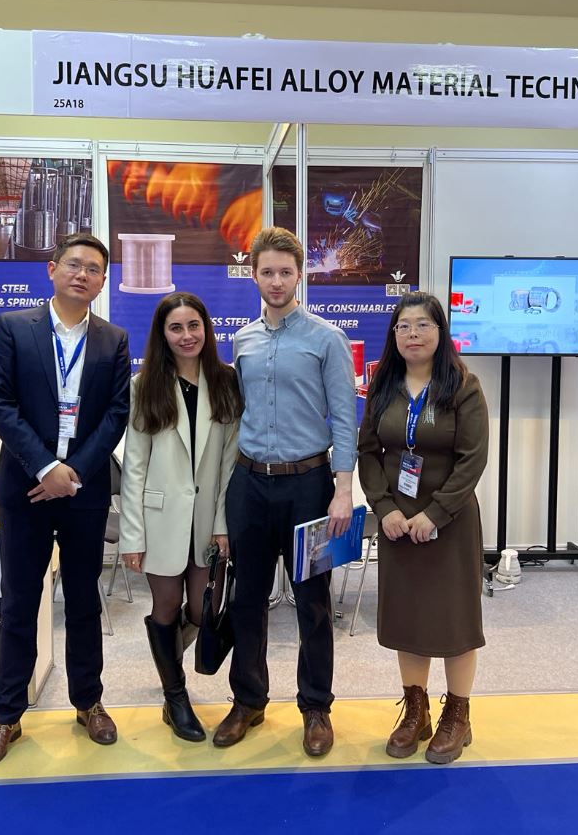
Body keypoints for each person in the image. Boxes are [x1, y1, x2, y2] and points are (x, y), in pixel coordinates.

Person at [0, 233, 131, 768]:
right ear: (52, 269)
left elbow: (116, 413)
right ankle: (7, 714)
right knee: (19, 600)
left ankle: (89, 702)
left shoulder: (113, 340)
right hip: (26, 487)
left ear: (102, 281)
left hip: (83, 491)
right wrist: (46, 467)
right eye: (74, 264)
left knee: (85, 600)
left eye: (94, 269)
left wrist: (74, 472)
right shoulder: (14, 327)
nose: (82, 274)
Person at [214, 226, 357, 758]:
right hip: (250, 483)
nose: (276, 281)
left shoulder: (326, 339)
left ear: (300, 276)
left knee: (312, 602)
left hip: (309, 486)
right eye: (267, 272)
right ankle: (248, 701)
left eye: (285, 272)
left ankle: (316, 707)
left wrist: (343, 490)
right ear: (253, 275)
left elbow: (344, 418)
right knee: (247, 600)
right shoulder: (243, 340)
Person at [357, 292, 489, 765]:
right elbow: (368, 452)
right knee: (408, 618)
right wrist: (385, 508)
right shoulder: (384, 385)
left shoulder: (463, 386)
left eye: (423, 325)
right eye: (404, 326)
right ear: (394, 335)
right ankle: (416, 711)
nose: (413, 334)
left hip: (449, 522)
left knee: (454, 619)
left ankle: (457, 715)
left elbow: (473, 459)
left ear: (440, 332)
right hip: (398, 524)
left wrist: (434, 514)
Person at [119, 292, 242, 742]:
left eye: (194, 325)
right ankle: (175, 697)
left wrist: (223, 524)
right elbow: (134, 465)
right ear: (162, 334)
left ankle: (169, 668)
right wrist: (132, 535)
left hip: (208, 519)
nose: (187, 335)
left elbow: (230, 462)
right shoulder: (144, 385)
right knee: (166, 606)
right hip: (160, 518)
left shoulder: (226, 381)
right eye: (176, 328)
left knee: (201, 608)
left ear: (206, 329)